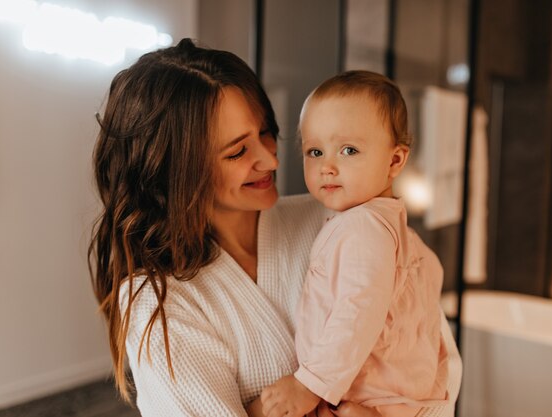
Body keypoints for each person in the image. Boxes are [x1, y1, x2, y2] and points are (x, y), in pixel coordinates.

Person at [89, 39, 460, 417]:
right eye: (237, 151)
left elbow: (437, 357)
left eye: (266, 133)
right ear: (175, 171)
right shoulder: (158, 301)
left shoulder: (343, 218)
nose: (270, 160)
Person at [261, 71, 451, 417]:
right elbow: (431, 274)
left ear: (394, 161)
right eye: (315, 151)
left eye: (348, 150)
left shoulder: (362, 226)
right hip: (396, 398)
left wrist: (310, 384)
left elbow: (356, 311)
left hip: (367, 398)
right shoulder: (399, 232)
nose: (327, 167)